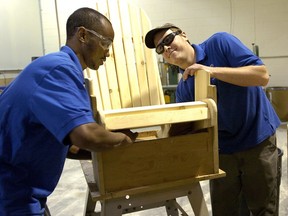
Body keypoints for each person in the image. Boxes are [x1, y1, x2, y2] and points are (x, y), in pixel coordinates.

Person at [0, 7, 137, 215]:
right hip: (11, 195)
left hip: (20, 190)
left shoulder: (57, 67)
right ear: (83, 35)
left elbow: (69, 144)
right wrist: (123, 140)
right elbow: (85, 135)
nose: (108, 53)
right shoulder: (58, 69)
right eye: (105, 43)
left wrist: (101, 152)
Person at [145, 23, 280, 216]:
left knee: (263, 209)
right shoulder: (184, 88)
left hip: (257, 141)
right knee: (225, 211)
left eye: (168, 40)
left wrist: (210, 71)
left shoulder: (220, 43)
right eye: (160, 48)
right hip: (222, 151)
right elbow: (189, 131)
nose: (166, 48)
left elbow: (262, 75)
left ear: (183, 34)